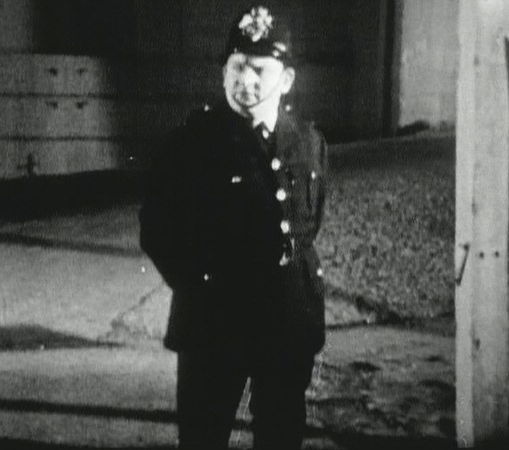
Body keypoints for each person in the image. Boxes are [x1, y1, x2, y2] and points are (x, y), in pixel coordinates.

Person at [140, 5, 328, 449]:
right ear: (223, 72)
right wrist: (203, 287)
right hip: (215, 327)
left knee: (281, 434)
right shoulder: (191, 144)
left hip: (287, 323)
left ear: (286, 80)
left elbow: (309, 222)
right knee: (203, 437)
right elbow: (158, 230)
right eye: (237, 66)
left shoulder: (308, 142)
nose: (246, 80)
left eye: (260, 69)